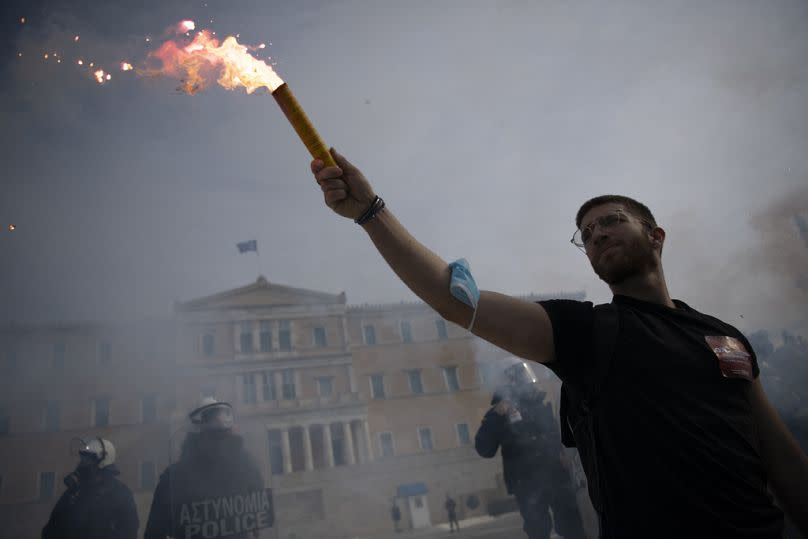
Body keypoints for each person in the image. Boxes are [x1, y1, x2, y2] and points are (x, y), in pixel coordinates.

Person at [310, 150, 808, 538]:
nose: (596, 235)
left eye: (611, 221)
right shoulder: (587, 332)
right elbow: (454, 298)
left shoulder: (726, 337)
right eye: (587, 234)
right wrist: (370, 212)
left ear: (655, 235)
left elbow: (782, 461)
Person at [475, 359, 585, 539]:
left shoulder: (539, 405)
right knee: (538, 529)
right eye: (523, 377)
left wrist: (563, 453)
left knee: (571, 524)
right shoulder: (501, 412)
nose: (529, 382)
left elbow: (555, 435)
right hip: (527, 483)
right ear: (512, 382)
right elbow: (484, 449)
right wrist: (496, 416)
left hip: (555, 474)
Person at [144, 398, 269, 539]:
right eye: (215, 436)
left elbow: (154, 532)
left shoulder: (174, 475)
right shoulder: (247, 467)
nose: (218, 443)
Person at [42, 437, 138, 539]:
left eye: (88, 460)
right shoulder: (74, 493)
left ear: (102, 463)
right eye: (83, 459)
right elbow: (49, 532)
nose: (82, 464)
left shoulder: (120, 494)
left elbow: (129, 532)